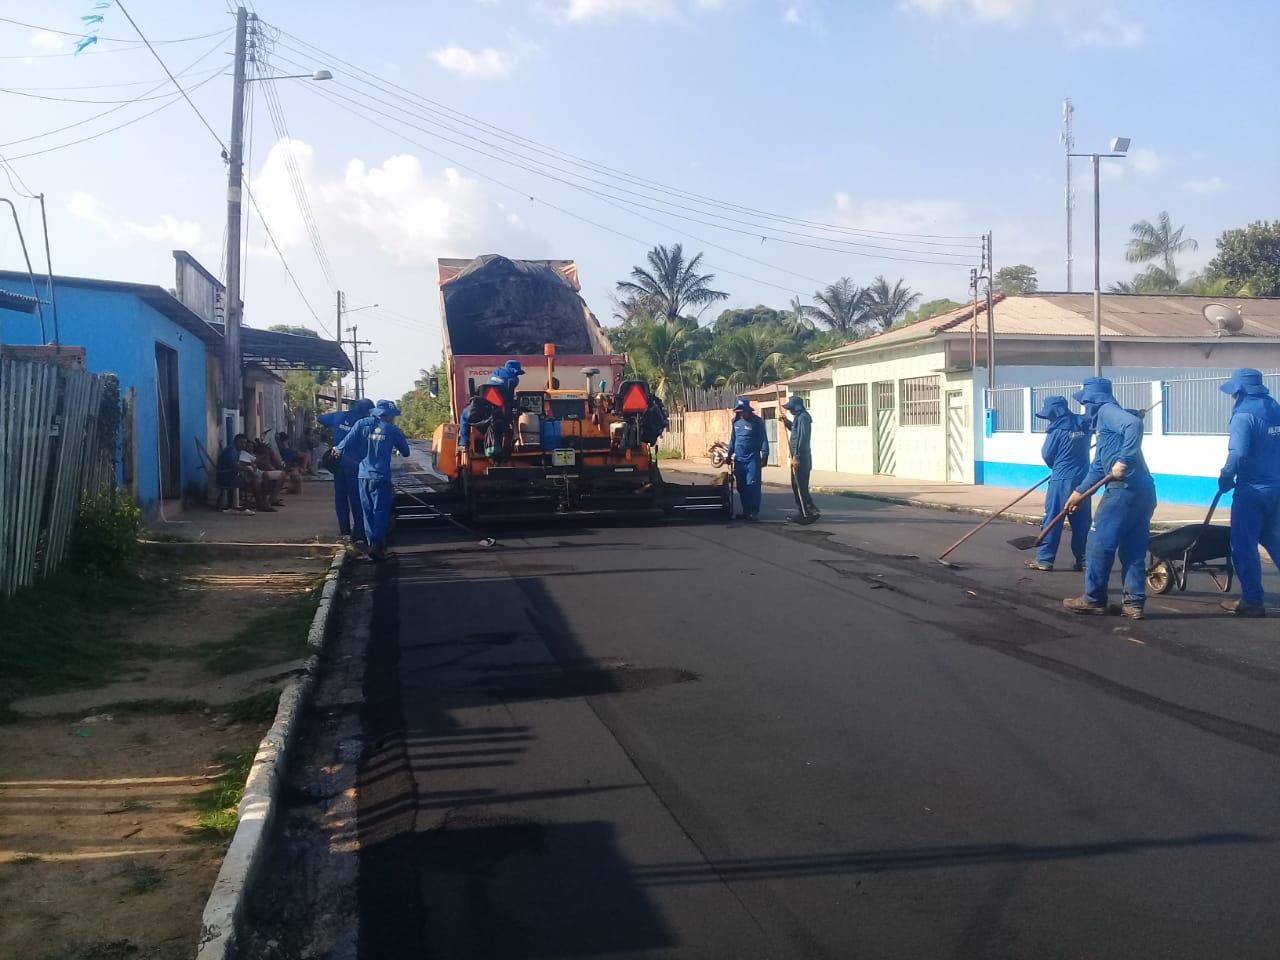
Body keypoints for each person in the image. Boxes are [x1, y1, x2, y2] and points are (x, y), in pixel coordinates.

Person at [1062, 377, 1156, 619]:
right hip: (1143, 491)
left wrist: (1123, 461)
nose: (1085, 408)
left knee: (1097, 544)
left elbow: (1134, 425)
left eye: (1085, 402)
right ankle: (1133, 604)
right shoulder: (1104, 425)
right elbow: (1098, 468)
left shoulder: (1106, 411)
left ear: (1092, 400)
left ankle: (1094, 599)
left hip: (1123, 491)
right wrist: (1079, 493)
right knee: (1134, 549)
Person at [1217, 368, 1280, 617]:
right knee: (1274, 539)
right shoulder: (1275, 408)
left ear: (1239, 391)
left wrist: (1225, 476)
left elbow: (1238, 453)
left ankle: (1252, 600)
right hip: (1277, 487)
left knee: (1243, 544)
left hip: (1253, 490)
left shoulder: (1244, 416)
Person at [1026, 396, 1093, 572]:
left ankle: (1045, 559)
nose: (1048, 418)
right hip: (1084, 482)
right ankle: (1085, 560)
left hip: (1061, 480)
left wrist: (1057, 466)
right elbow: (1107, 417)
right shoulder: (1084, 423)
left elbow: (1047, 454)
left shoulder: (1056, 430)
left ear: (1054, 412)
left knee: (1052, 518)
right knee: (1081, 522)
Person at [338, 399, 411, 562]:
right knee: (380, 511)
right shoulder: (392, 429)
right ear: (387, 415)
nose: (393, 419)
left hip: (363, 475)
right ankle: (377, 545)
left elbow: (342, 447)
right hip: (381, 476)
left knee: (367, 511)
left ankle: (372, 544)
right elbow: (405, 452)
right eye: (392, 416)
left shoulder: (361, 424)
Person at [318, 398, 374, 541]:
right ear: (366, 411)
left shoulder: (339, 416)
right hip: (355, 466)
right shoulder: (364, 422)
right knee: (357, 499)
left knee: (341, 498)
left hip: (338, 464)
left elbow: (320, 418)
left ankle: (344, 531)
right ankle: (360, 532)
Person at [727, 397, 768, 521]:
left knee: (752, 486)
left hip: (752, 460)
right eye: (739, 412)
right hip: (739, 460)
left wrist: (765, 454)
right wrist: (729, 455)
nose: (741, 414)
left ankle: (753, 512)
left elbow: (763, 439)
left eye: (743, 411)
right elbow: (733, 440)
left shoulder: (757, 422)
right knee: (742, 487)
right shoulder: (735, 422)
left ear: (748, 410)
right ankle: (746, 511)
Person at [779, 395, 819, 524]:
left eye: (790, 408)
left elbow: (802, 439)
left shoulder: (803, 418)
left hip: (801, 458)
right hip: (797, 457)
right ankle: (805, 509)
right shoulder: (798, 418)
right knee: (797, 485)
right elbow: (795, 431)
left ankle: (807, 511)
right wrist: (786, 422)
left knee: (800, 486)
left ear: (795, 408)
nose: (789, 411)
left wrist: (797, 456)